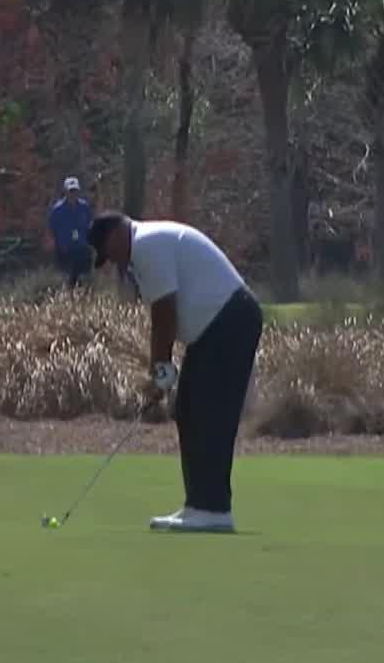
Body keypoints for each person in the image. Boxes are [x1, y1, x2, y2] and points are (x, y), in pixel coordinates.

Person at [86, 211, 263, 533]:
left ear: (115, 234)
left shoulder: (146, 245)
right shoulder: (143, 247)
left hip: (231, 320)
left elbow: (164, 312)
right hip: (214, 330)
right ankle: (197, 504)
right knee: (188, 409)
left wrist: (161, 368)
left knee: (210, 413)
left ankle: (214, 509)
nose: (114, 262)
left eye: (109, 253)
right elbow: (166, 314)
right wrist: (161, 369)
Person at [48, 177, 93, 289]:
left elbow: (89, 225)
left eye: (75, 191)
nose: (73, 194)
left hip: (82, 249)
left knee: (84, 282)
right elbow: (52, 229)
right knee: (67, 281)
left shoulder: (84, 207)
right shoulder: (58, 210)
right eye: (70, 191)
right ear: (65, 191)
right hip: (65, 251)